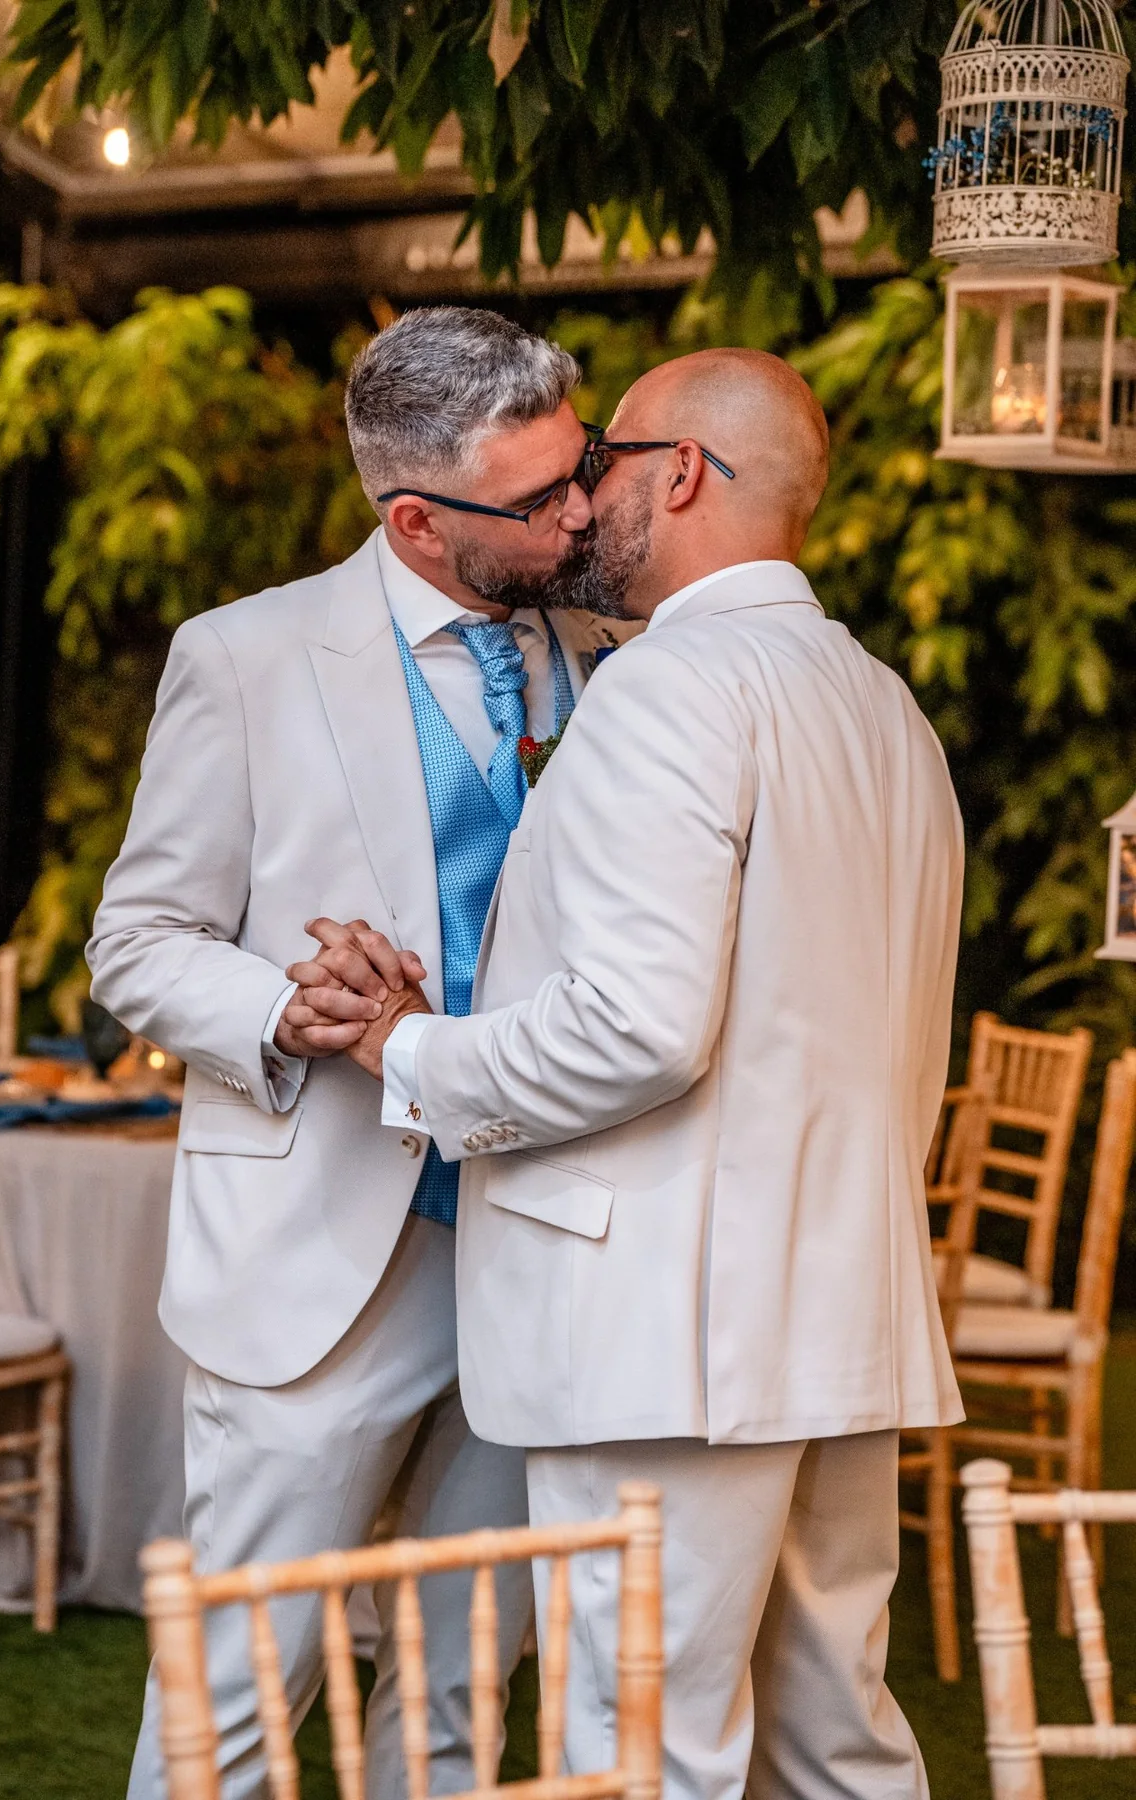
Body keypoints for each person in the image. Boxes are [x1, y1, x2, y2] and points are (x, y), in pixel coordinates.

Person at [302, 349, 965, 1799]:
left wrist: (402, 1044)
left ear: (680, 476)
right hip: (838, 1318)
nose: (575, 493)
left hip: (668, 1335)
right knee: (836, 1742)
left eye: (601, 459)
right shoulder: (889, 713)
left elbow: (637, 1027)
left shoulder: (667, 688)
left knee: (647, 1747)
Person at [86, 306, 635, 1799]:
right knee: (239, 1697)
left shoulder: (615, 653)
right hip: (317, 1261)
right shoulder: (246, 657)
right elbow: (136, 941)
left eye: (581, 465)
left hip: (537, 1250)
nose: (581, 512)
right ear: (415, 520)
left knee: (462, 1691)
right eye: (539, 497)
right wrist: (286, 1009)